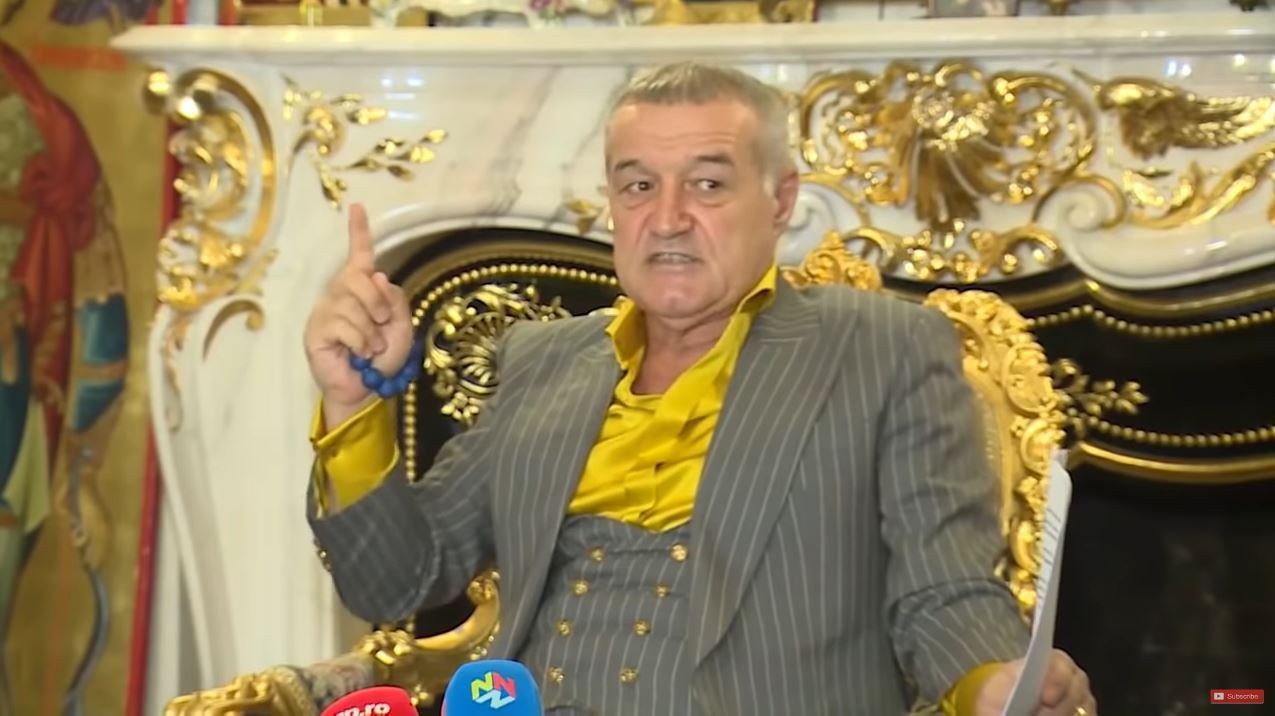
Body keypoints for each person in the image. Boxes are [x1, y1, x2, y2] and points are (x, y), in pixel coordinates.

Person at [303, 62, 1096, 716]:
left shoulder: (881, 350)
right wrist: (350, 402)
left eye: (708, 185)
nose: (668, 218)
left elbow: (943, 589)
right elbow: (396, 580)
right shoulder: (544, 360)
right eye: (637, 187)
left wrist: (993, 684)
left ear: (779, 200)